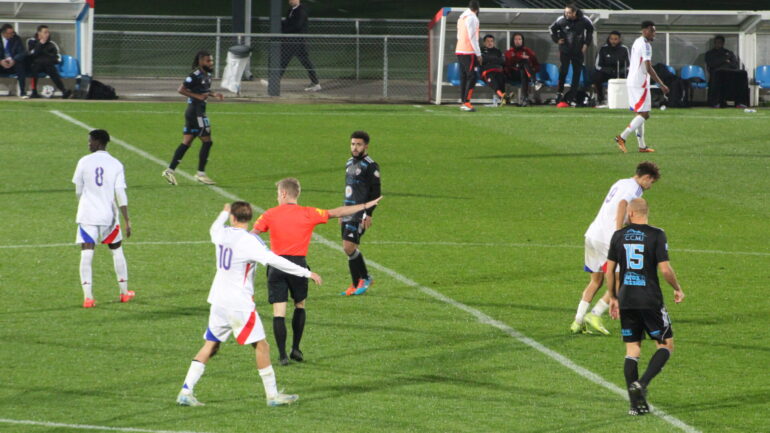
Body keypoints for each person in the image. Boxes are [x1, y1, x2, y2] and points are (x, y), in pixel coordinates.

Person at [177, 201, 322, 407]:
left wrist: (223, 212)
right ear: (250, 218)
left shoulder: (221, 233)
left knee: (211, 345)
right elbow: (275, 260)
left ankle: (186, 390)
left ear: (233, 217)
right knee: (262, 346)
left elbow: (213, 228)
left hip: (218, 300)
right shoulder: (250, 241)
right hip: (239, 304)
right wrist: (306, 272)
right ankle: (272, 396)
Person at [252, 178, 382, 365]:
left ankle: (282, 355)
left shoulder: (270, 214)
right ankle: (296, 348)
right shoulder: (309, 213)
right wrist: (365, 205)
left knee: (278, 312)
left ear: (283, 193)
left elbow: (252, 236)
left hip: (277, 266)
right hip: (299, 265)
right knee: (300, 305)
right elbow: (337, 212)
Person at [606, 198, 685, 416]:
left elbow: (610, 270)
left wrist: (613, 297)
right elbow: (666, 270)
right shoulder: (657, 234)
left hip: (627, 299)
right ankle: (642, 384)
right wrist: (677, 288)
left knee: (632, 351)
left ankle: (634, 405)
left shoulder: (618, 235)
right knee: (666, 345)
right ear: (645, 212)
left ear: (630, 213)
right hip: (650, 299)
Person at [570, 161, 660, 335]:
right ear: (646, 177)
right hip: (608, 239)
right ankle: (595, 314)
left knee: (596, 281)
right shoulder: (634, 189)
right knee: (625, 279)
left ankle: (578, 320)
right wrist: (619, 231)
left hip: (592, 234)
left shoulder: (621, 182)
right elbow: (621, 205)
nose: (650, 186)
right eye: (651, 182)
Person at [72, 129, 134, 308]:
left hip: (87, 214)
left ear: (98, 142)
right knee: (117, 250)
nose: (88, 143)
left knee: (86, 252)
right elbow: (120, 193)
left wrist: (85, 202)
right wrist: (127, 219)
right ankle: (124, 293)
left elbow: (78, 190)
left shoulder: (83, 161)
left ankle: (88, 297)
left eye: (90, 141)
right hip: (108, 215)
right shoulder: (116, 164)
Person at [162, 51, 223, 186]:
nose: (211, 63)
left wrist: (214, 94)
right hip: (196, 112)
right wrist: (198, 97)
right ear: (201, 61)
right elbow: (181, 89)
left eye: (211, 61)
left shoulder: (208, 75)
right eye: (208, 61)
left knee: (187, 141)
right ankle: (201, 173)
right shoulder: (194, 75)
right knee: (207, 142)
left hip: (196, 111)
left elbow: (204, 90)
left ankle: (169, 170)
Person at [614, 21, 669, 154]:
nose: (654, 34)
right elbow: (648, 67)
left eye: (654, 31)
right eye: (652, 30)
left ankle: (642, 146)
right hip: (640, 83)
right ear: (644, 31)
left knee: (640, 114)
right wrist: (661, 84)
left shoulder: (637, 41)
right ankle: (622, 137)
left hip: (633, 81)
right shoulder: (645, 45)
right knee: (645, 114)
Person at [341, 130, 381, 297]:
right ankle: (355, 282)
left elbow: (376, 191)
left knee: (349, 246)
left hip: (360, 212)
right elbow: (349, 189)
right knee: (349, 248)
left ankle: (364, 278)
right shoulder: (349, 162)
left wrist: (368, 213)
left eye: (358, 144)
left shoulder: (371, 165)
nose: (355, 147)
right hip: (348, 211)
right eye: (353, 144)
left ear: (365, 146)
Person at [549, 3, 593, 107]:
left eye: (569, 12)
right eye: (566, 12)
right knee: (563, 70)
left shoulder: (584, 19)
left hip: (578, 51)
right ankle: (559, 92)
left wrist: (586, 44)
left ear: (574, 12)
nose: (567, 14)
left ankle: (572, 96)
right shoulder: (561, 19)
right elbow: (551, 29)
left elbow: (590, 30)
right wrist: (556, 40)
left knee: (577, 72)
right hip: (565, 50)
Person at [279, 0, 320, 92]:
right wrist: (281, 24)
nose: (290, 1)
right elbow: (288, 22)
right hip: (293, 41)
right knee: (304, 61)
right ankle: (316, 83)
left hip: (298, 41)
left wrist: (284, 30)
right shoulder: (291, 10)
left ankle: (274, 82)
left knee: (284, 60)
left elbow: (297, 26)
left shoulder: (301, 10)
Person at [26, 25, 71, 99]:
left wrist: (50, 60)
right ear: (39, 33)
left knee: (52, 70)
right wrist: (40, 44)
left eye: (48, 32)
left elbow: (57, 58)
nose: (47, 34)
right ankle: (34, 92)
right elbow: (32, 54)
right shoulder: (32, 42)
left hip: (48, 65)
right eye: (45, 32)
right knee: (34, 69)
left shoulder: (51, 44)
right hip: (36, 64)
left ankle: (64, 91)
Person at [705, 35, 749, 108]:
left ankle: (740, 102)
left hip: (730, 75)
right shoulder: (710, 53)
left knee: (742, 74)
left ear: (723, 43)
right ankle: (717, 102)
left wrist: (726, 61)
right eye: (716, 42)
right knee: (720, 75)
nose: (718, 44)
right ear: (714, 43)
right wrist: (725, 59)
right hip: (717, 76)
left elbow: (735, 65)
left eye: (720, 42)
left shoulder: (729, 52)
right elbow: (712, 64)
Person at [455, 0, 481, 112]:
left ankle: (463, 101)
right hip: (468, 51)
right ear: (477, 8)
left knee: (464, 76)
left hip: (459, 50)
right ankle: (466, 102)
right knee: (472, 76)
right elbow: (472, 37)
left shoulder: (461, 18)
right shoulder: (472, 18)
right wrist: (478, 54)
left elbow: (458, 35)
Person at [592, 31, 629, 105]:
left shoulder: (624, 49)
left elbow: (629, 65)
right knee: (597, 76)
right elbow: (597, 65)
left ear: (619, 40)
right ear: (609, 39)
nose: (613, 41)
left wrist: (621, 70)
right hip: (606, 73)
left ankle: (626, 99)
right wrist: (607, 70)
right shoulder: (603, 49)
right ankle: (600, 99)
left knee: (629, 76)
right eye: (611, 39)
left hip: (620, 73)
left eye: (615, 39)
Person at [504, 32, 540, 106]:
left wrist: (532, 69)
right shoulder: (509, 52)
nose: (518, 41)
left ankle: (525, 98)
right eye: (516, 39)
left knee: (524, 69)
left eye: (520, 39)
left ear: (522, 41)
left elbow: (536, 65)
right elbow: (507, 65)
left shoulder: (528, 51)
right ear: (513, 41)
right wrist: (520, 58)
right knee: (524, 61)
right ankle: (535, 82)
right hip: (513, 75)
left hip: (526, 74)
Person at [0, 23, 28, 98]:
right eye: (10, 33)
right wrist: (0, 61)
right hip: (1, 64)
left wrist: (14, 60)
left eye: (13, 32)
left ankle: (23, 92)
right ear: (3, 33)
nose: (12, 34)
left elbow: (22, 52)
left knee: (21, 65)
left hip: (13, 63)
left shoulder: (16, 38)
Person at [480, 34, 506, 106]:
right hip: (486, 72)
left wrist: (489, 59)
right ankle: (502, 96)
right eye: (488, 41)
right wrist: (495, 59)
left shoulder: (498, 51)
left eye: (491, 41)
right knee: (492, 78)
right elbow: (483, 60)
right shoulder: (480, 50)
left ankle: (502, 99)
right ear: (484, 43)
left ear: (494, 42)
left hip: (498, 70)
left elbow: (503, 60)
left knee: (502, 77)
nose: (490, 43)